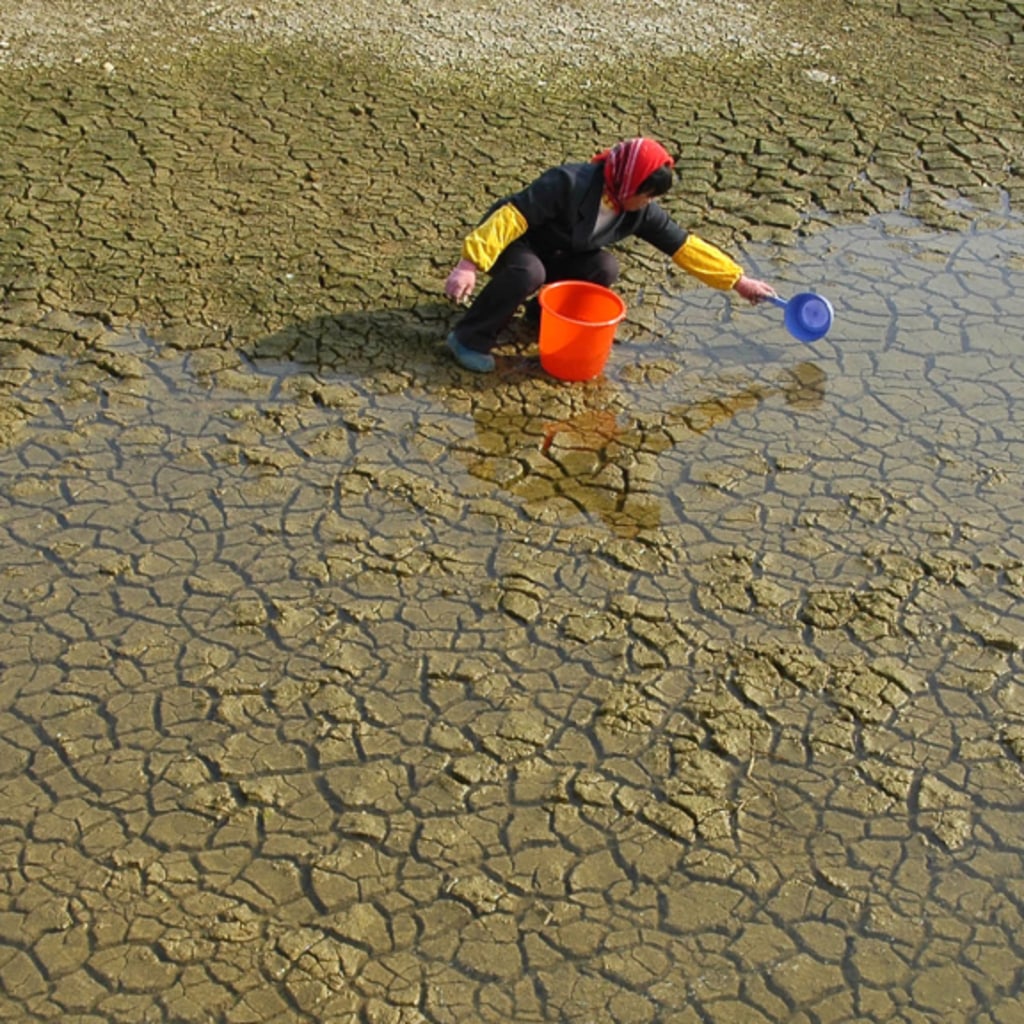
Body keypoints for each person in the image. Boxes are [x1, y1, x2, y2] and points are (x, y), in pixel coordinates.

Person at [443, 136, 777, 372]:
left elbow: (684, 247)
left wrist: (738, 281)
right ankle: (469, 338)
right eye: (646, 194)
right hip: (513, 242)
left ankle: (542, 317)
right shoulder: (568, 183)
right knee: (529, 272)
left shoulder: (638, 211)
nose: (648, 203)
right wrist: (469, 264)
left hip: (559, 251)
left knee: (603, 267)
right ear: (630, 182)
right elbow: (512, 217)